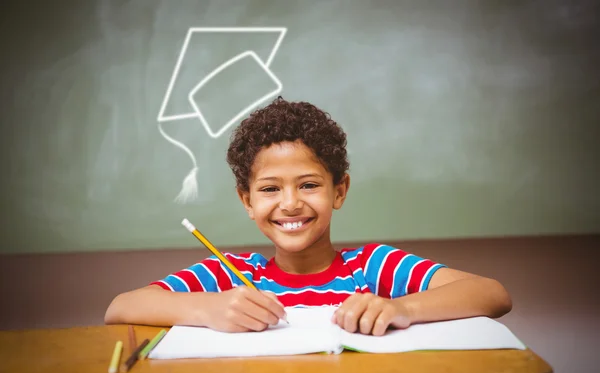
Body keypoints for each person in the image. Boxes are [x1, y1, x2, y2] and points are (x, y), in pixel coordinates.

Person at [105, 97, 512, 336]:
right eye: (269, 189)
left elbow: (493, 294)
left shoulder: (374, 267)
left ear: (340, 191)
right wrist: (208, 309)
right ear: (246, 201)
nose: (290, 204)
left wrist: (403, 309)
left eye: (309, 185)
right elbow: (120, 308)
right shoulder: (229, 274)